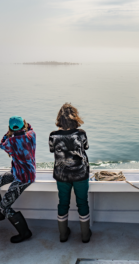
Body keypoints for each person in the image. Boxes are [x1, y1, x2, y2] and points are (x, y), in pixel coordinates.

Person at [0, 116, 36, 243]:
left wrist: (7, 134)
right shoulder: (31, 135)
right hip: (18, 172)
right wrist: (24, 125)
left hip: (24, 177)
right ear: (24, 126)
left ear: (10, 128)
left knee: (3, 206)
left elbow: (1, 144)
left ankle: (25, 233)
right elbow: (30, 127)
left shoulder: (10, 142)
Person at [49, 103, 91, 243]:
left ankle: (63, 235)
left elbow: (52, 150)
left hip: (62, 175)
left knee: (63, 203)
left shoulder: (53, 136)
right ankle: (85, 235)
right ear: (75, 118)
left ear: (59, 119)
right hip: (80, 174)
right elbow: (86, 147)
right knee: (82, 203)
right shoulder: (81, 134)